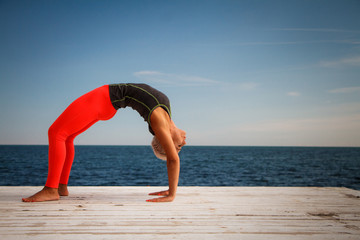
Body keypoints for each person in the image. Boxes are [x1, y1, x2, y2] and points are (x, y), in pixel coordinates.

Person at [22, 83, 186, 203]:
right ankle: (61, 187)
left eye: (178, 147)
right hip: (106, 104)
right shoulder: (166, 113)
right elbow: (172, 152)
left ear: (167, 141)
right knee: (68, 136)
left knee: (56, 133)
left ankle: (51, 189)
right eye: (179, 147)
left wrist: (172, 195)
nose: (183, 144)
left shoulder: (160, 123)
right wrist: (171, 189)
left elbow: (173, 160)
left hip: (102, 100)